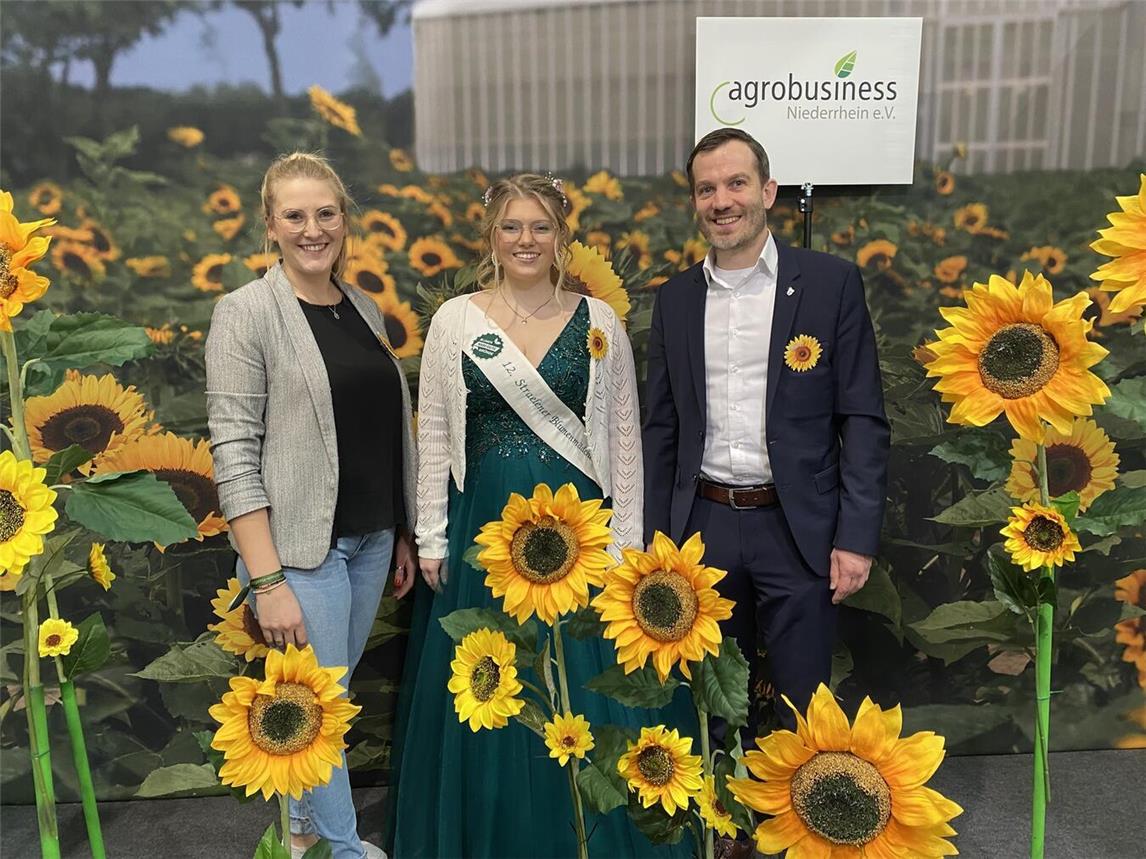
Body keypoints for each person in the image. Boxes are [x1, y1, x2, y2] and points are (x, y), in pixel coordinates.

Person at [387, 174, 691, 859]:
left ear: (562, 236)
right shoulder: (455, 321)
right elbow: (432, 432)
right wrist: (430, 534)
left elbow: (622, 442)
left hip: (579, 532)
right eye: (512, 227)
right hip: (481, 531)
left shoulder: (599, 323)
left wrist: (628, 546)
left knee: (584, 690)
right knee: (490, 686)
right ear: (491, 236)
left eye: (541, 227)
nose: (526, 240)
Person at [206, 152, 418, 859]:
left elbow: (381, 426)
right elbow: (233, 454)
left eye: (326, 212)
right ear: (270, 224)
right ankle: (343, 847)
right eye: (295, 215)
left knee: (333, 690)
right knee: (320, 707)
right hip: (298, 552)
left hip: (369, 539)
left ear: (345, 220)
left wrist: (403, 531)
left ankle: (300, 831)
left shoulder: (359, 306)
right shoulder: (244, 313)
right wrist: (267, 582)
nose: (312, 228)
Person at [643, 128, 890, 735]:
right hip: (701, 524)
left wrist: (856, 538)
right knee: (709, 700)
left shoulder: (831, 284)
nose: (721, 200)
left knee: (802, 701)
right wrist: (654, 536)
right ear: (695, 203)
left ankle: (785, 826)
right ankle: (720, 826)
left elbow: (862, 417)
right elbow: (661, 427)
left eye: (736, 183)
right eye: (706, 189)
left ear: (769, 191)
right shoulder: (674, 300)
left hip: (798, 525)